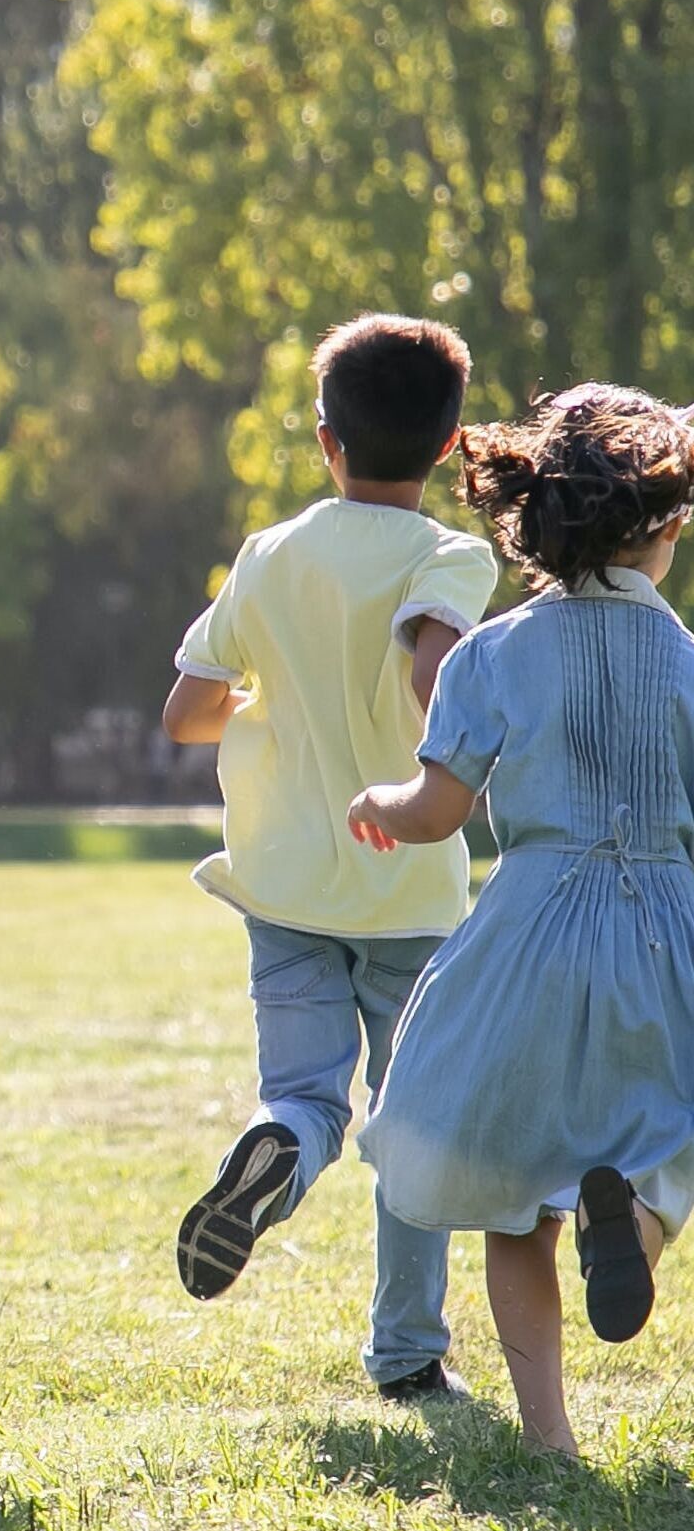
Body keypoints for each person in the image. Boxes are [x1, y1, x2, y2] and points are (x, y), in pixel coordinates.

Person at [351, 384, 694, 1458]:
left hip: (528, 935)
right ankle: (633, 1222)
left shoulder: (491, 652)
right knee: (670, 1138)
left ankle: (549, 1438)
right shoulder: (688, 662)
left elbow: (436, 810)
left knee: (514, 1198)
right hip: (665, 933)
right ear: (663, 525)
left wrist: (378, 803)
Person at [160, 314, 497, 1399]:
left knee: (304, 1094)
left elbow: (186, 712)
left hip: (284, 883)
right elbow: (432, 673)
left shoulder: (269, 553)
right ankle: (406, 1352)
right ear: (448, 445)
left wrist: (274, 706)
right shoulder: (451, 555)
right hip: (406, 887)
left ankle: (274, 1146)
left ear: (325, 441)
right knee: (413, 1120)